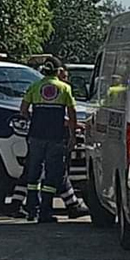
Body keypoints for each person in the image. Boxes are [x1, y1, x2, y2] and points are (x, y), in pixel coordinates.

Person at [20, 57, 80, 223]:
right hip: (55, 137)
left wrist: (35, 120)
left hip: (36, 135)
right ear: (58, 71)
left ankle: (32, 210)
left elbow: (23, 110)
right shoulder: (64, 88)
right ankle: (45, 212)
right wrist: (72, 135)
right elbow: (72, 114)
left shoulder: (35, 86)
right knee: (52, 174)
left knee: (34, 172)